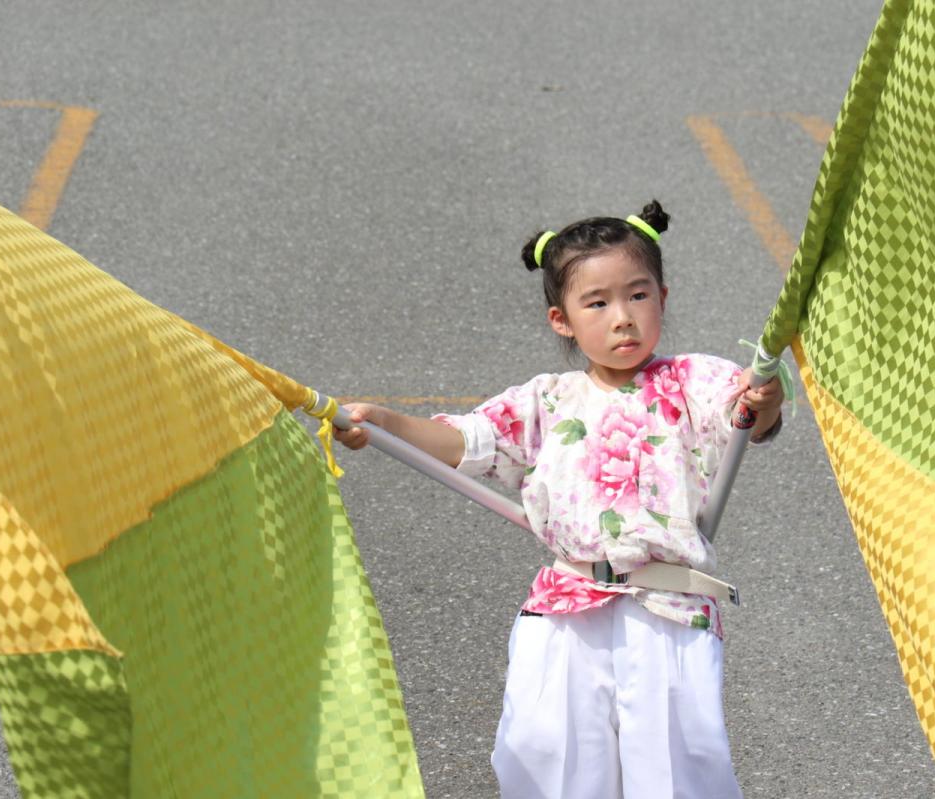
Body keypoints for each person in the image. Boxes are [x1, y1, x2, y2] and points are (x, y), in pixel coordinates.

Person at [335, 200, 784, 798]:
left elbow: (748, 414)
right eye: (597, 303)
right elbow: (469, 440)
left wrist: (765, 396)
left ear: (663, 298)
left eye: (638, 295)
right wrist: (389, 421)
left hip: (668, 606)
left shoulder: (692, 380)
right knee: (545, 753)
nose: (622, 317)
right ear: (562, 319)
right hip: (566, 606)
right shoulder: (547, 399)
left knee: (677, 767)